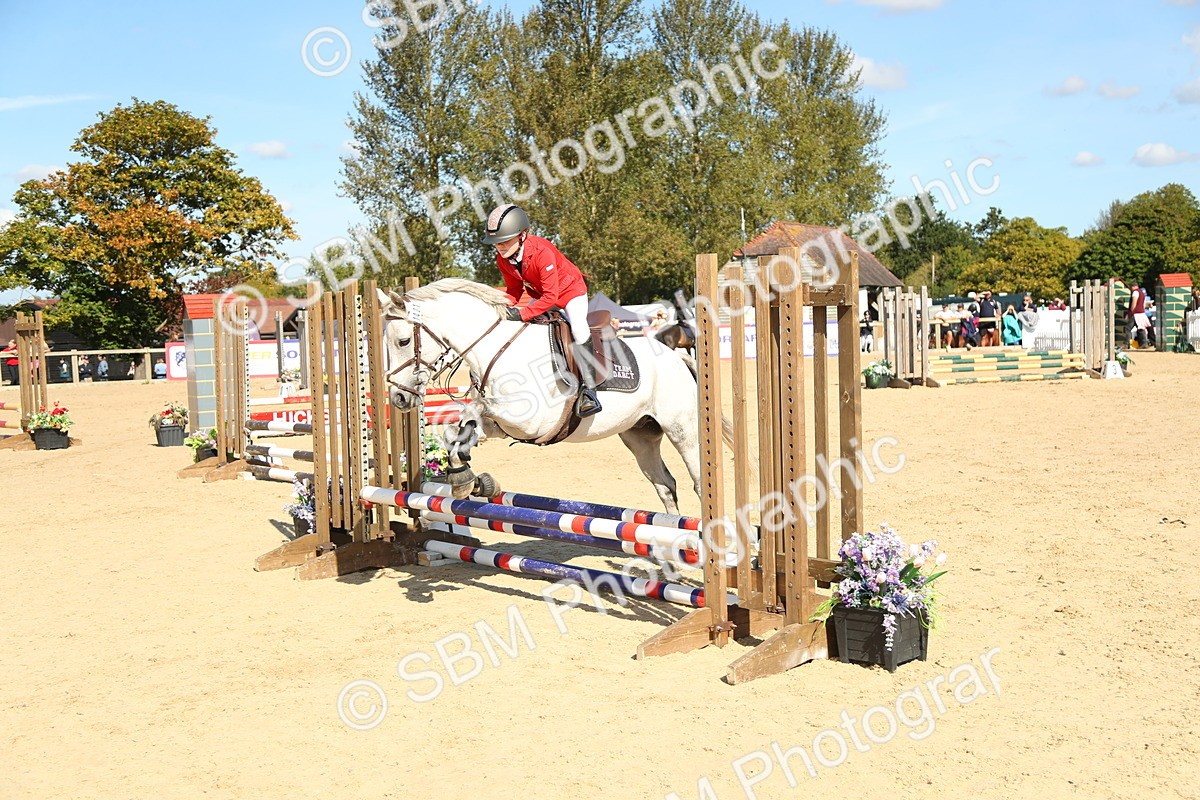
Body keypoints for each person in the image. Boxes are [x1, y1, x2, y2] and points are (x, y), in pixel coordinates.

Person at [484, 203, 600, 417]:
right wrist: (500, 307)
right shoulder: (503, 259)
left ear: (523, 235)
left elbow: (551, 297)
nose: (499, 246)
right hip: (543, 296)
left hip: (570, 292)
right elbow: (514, 290)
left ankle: (590, 390)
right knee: (520, 329)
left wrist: (522, 313)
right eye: (496, 242)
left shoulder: (541, 252)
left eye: (505, 240)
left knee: (579, 328)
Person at [1126, 282, 1150, 349]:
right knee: (1141, 329)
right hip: (1141, 313)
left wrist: (1131, 312)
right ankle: (1144, 343)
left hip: (1135, 313)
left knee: (1128, 328)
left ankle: (1126, 344)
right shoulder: (1142, 293)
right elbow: (1143, 305)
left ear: (1133, 286)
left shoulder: (1135, 292)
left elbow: (1134, 303)